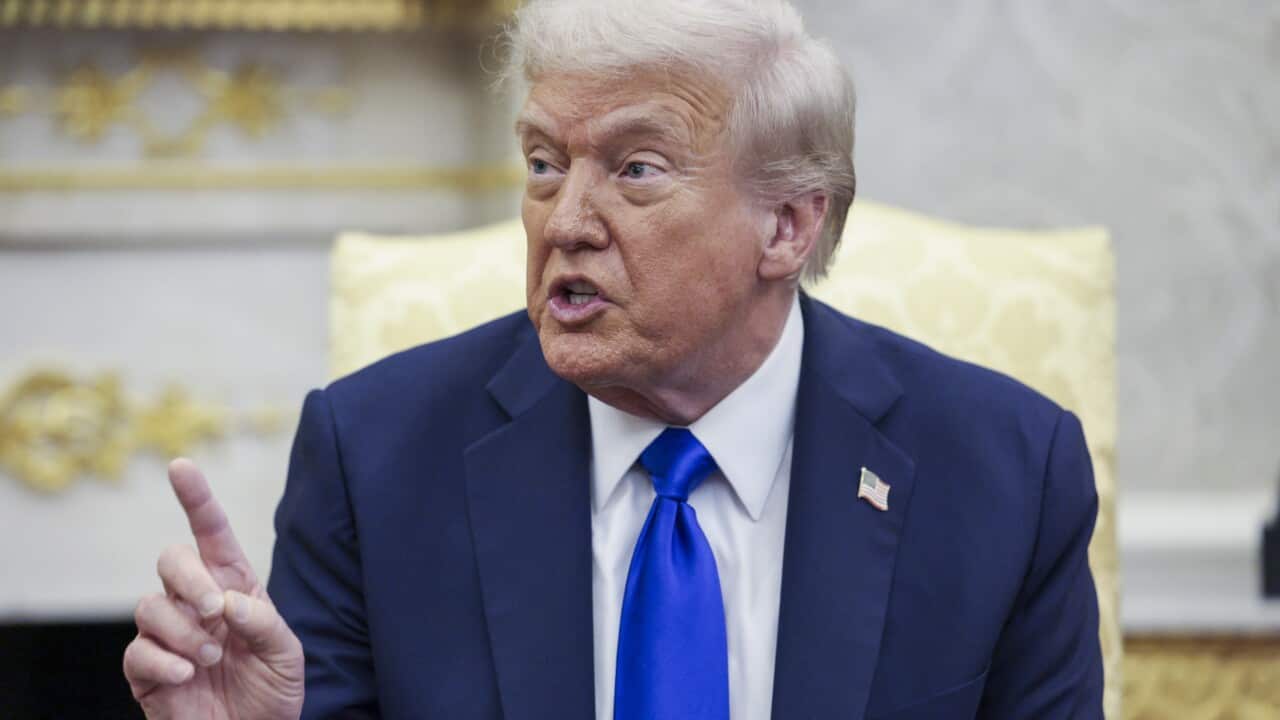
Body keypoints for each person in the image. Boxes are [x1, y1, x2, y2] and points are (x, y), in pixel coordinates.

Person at [122, 0, 1105, 718]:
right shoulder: (374, 455)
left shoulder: (1003, 472)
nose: (566, 220)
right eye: (544, 163)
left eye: (635, 169)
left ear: (788, 226)